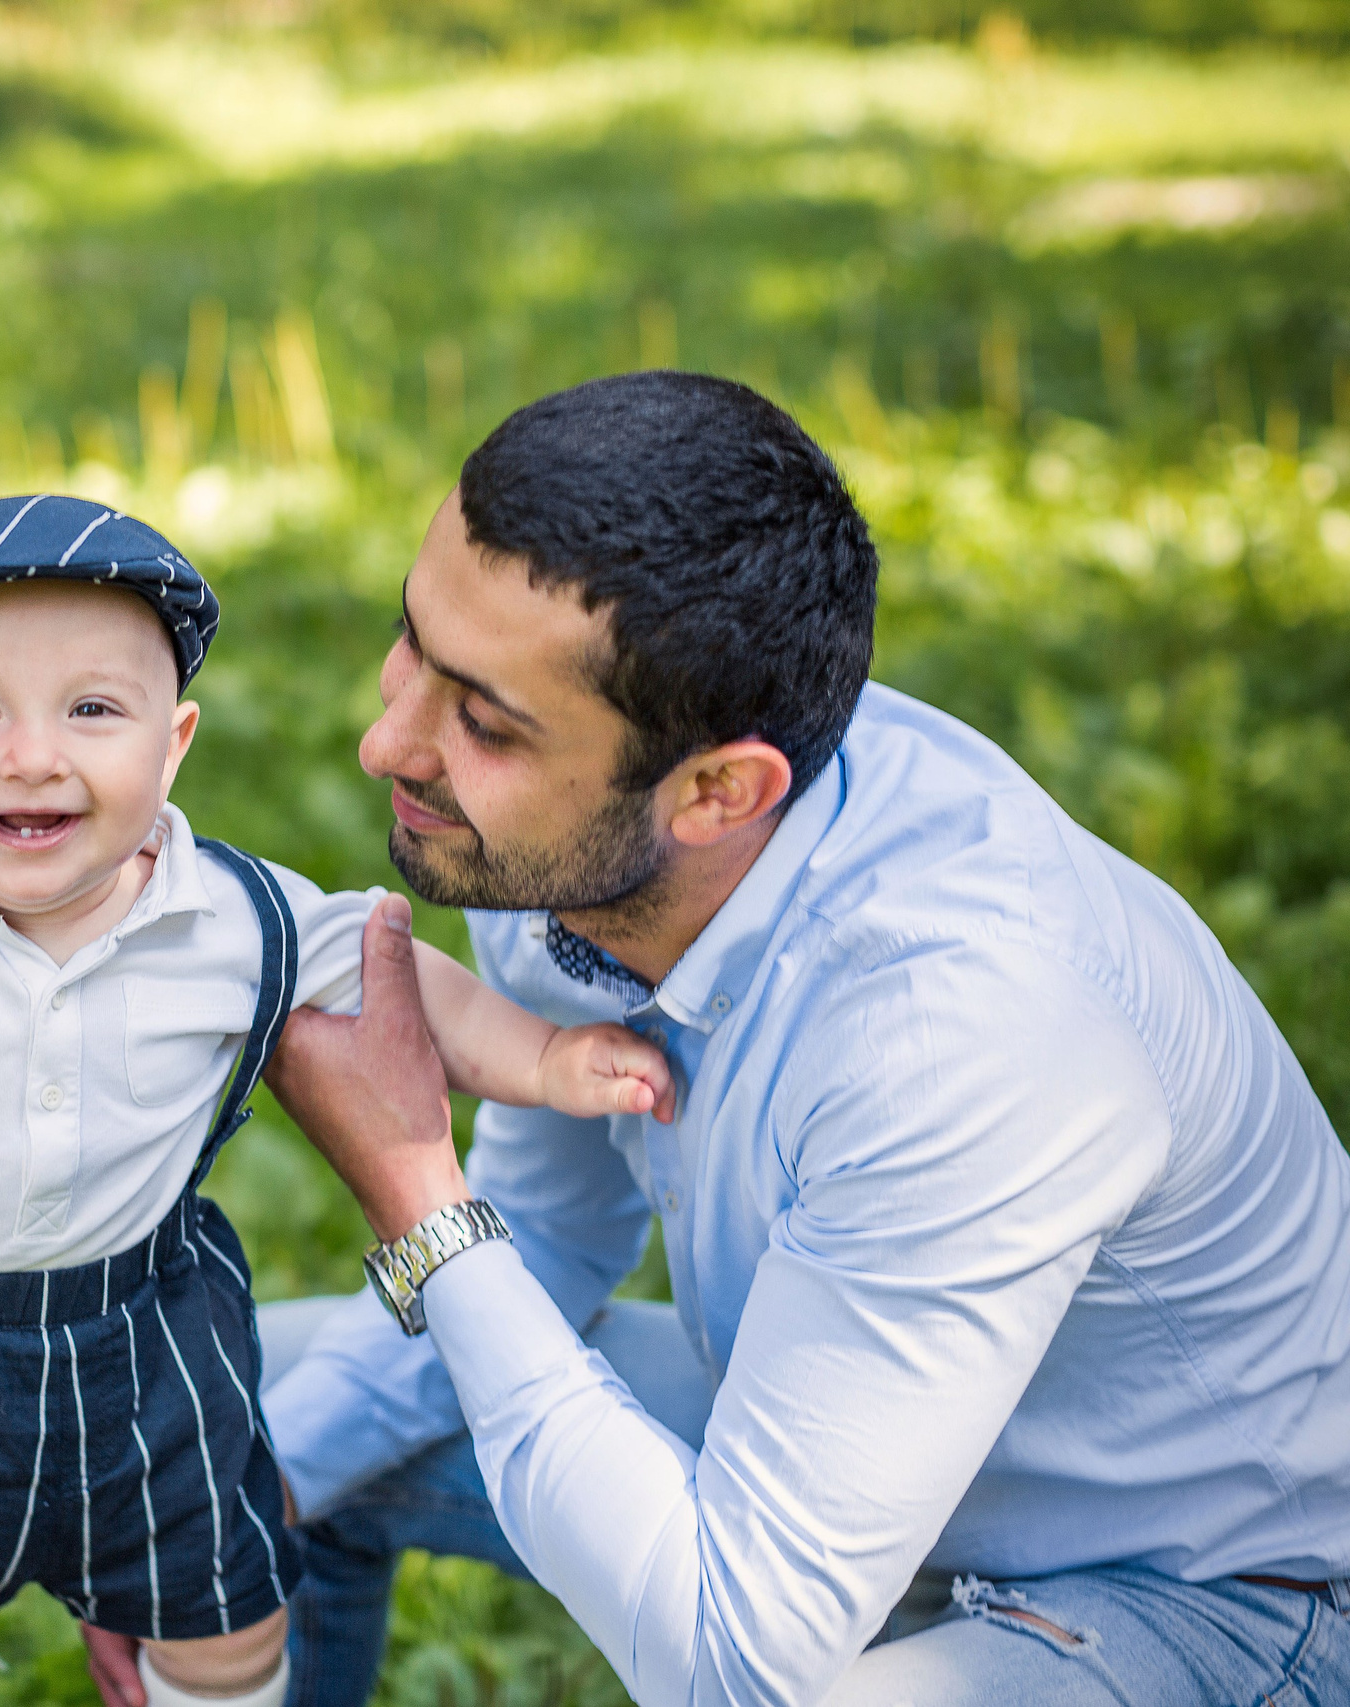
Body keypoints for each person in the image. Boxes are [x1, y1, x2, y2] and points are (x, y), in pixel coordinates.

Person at [113, 370, 1350, 1706]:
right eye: (413, 643)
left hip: (1203, 1597)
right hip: (840, 1445)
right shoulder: (571, 849)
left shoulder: (965, 1028)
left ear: (717, 791)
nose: (385, 739)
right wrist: (246, 1509)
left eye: (482, 721)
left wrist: (414, 1184)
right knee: (224, 1424)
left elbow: (731, 1660)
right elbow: (556, 1230)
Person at [0, 495, 675, 1707]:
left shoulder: (233, 911)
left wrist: (543, 1059)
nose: (33, 755)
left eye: (93, 711)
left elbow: (405, 986)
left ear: (175, 742)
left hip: (147, 1343)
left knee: (230, 1627)